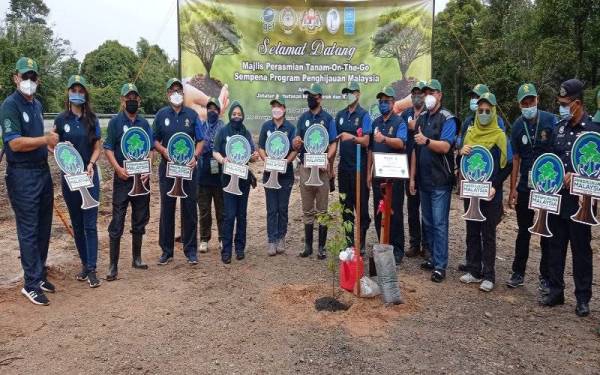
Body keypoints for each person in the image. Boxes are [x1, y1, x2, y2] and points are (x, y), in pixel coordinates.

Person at [0, 57, 58, 305]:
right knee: (29, 229)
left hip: (42, 170)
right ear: (16, 78)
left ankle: (39, 273)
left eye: (33, 77)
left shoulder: (37, 105)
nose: (29, 81)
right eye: (25, 76)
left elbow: (36, 139)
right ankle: (31, 284)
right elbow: (14, 142)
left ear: (38, 80)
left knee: (44, 225)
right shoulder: (10, 105)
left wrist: (52, 150)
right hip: (22, 174)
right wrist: (45, 140)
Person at [541, 79, 599, 317]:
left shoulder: (594, 131)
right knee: (555, 245)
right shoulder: (560, 127)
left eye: (566, 104)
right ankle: (556, 291)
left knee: (581, 248)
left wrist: (578, 175)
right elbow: (551, 157)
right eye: (560, 103)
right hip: (557, 196)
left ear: (578, 103)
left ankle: (583, 297)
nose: (562, 107)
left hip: (581, 200)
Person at [506, 83, 558, 290]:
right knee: (524, 231)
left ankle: (545, 276)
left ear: (537, 100)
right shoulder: (518, 125)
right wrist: (512, 190)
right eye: (524, 103)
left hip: (547, 185)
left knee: (546, 231)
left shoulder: (550, 120)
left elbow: (557, 151)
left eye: (531, 101)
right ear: (520, 104)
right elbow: (516, 159)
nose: (529, 105)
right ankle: (518, 272)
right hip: (525, 187)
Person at [52, 75, 102, 287]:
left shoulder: (92, 119)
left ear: (85, 94)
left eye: (81, 91)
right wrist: (61, 153)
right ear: (68, 93)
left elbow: (98, 146)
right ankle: (84, 263)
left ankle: (92, 268)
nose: (78, 94)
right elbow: (51, 144)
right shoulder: (61, 120)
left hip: (89, 177)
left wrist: (90, 163)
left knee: (90, 224)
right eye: (74, 90)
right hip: (70, 180)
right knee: (78, 224)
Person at [458, 92, 512, 292]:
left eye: (487, 111)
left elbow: (507, 165)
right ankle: (473, 270)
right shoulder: (470, 133)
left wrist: (495, 185)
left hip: (490, 192)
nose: (483, 113)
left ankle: (489, 274)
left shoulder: (500, 136)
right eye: (480, 110)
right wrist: (460, 153)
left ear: (494, 111)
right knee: (472, 230)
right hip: (472, 190)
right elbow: (462, 164)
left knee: (488, 233)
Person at [103, 83, 153, 281]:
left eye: (135, 97)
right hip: (123, 179)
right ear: (122, 100)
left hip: (141, 179)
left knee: (140, 218)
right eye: (128, 97)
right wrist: (117, 168)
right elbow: (108, 148)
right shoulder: (115, 123)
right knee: (117, 221)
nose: (132, 100)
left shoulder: (144, 123)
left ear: (139, 100)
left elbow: (150, 147)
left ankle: (137, 258)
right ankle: (113, 265)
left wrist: (148, 167)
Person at [409, 79, 458, 283]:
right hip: (424, 179)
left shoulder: (448, 118)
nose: (428, 95)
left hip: (440, 180)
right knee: (427, 221)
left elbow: (446, 147)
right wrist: (412, 177)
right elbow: (415, 150)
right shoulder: (422, 118)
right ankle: (431, 257)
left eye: (432, 92)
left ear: (440, 95)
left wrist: (427, 141)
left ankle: (440, 265)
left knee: (439, 223)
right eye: (426, 92)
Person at [153, 78, 204, 265]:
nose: (176, 93)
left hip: (188, 169)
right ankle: (166, 251)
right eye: (173, 90)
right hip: (168, 168)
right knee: (167, 208)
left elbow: (201, 139)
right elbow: (153, 139)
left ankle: (190, 250)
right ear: (168, 94)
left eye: (179, 90)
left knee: (189, 208)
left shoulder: (192, 115)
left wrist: (195, 157)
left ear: (183, 94)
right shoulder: (160, 115)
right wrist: (163, 150)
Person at [292, 83, 338, 259]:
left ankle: (322, 248)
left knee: (322, 209)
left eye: (312, 95)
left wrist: (328, 158)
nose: (309, 98)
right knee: (307, 209)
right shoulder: (303, 118)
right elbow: (297, 141)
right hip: (306, 168)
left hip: (321, 169)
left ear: (320, 98)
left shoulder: (328, 119)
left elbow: (333, 142)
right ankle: (308, 247)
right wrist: (295, 142)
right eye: (308, 95)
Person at [213, 101, 259, 264]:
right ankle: (226, 250)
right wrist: (223, 160)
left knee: (241, 215)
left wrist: (253, 156)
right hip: (227, 180)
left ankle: (240, 248)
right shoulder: (223, 131)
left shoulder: (245, 132)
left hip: (243, 180)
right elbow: (215, 151)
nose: (237, 117)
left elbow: (252, 153)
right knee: (229, 215)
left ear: (243, 116)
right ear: (230, 115)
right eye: (234, 114)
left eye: (239, 115)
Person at [368, 86, 407, 264]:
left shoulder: (399, 122)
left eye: (386, 101)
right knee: (379, 211)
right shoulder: (375, 122)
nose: (383, 104)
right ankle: (383, 245)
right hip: (378, 174)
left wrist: (384, 139)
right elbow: (371, 149)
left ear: (393, 103)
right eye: (381, 101)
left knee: (394, 212)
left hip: (394, 176)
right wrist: (369, 171)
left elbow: (400, 143)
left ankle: (397, 249)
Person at [335, 81, 371, 253]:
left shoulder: (364, 115)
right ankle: (349, 242)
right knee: (345, 206)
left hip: (359, 168)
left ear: (358, 94)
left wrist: (351, 137)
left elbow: (366, 141)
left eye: (352, 92)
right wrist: (329, 164)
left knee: (361, 206)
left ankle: (361, 242)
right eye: (346, 92)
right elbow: (334, 141)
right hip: (344, 168)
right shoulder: (340, 115)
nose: (349, 95)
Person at [258, 94, 297, 255]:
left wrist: (286, 162)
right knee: (271, 209)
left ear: (284, 109)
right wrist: (266, 159)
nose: (276, 109)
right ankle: (271, 240)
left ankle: (281, 237)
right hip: (269, 175)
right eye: (274, 106)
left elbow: (295, 150)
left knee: (282, 208)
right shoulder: (266, 126)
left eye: (279, 106)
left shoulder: (291, 128)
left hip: (285, 175)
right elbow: (260, 147)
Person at [401, 81, 428, 259]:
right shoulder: (405, 114)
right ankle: (414, 243)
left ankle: (427, 245)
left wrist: (416, 126)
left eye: (420, 93)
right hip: (407, 166)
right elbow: (403, 134)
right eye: (414, 93)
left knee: (426, 209)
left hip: (425, 166)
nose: (417, 96)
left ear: (425, 96)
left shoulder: (430, 114)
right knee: (411, 207)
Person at [197, 97, 225, 253]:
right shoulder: (200, 126)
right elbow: (197, 144)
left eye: (215, 109)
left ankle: (222, 238)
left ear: (219, 112)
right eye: (209, 109)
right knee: (204, 209)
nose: (211, 111)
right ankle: (204, 239)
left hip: (219, 173)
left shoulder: (223, 128)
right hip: (202, 173)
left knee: (221, 209)